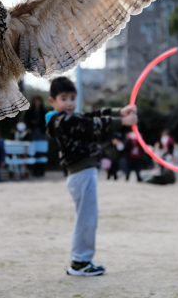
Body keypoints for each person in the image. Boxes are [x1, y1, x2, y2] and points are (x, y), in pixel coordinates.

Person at [45, 76, 137, 276]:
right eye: (64, 98)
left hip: (84, 173)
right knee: (86, 219)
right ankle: (80, 261)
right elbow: (91, 124)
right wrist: (122, 121)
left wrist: (118, 112)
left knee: (87, 218)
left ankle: (81, 260)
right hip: (80, 174)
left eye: (72, 98)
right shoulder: (61, 121)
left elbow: (89, 116)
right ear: (52, 101)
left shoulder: (69, 118)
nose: (69, 103)